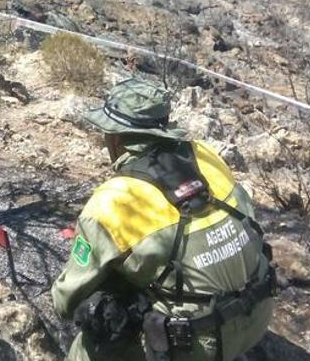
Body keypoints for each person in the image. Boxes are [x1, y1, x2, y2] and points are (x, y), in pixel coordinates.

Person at [51, 78, 276, 361]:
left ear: (116, 138)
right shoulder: (206, 155)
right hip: (258, 314)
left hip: (199, 346)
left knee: (90, 344)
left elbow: (66, 301)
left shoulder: (114, 201)